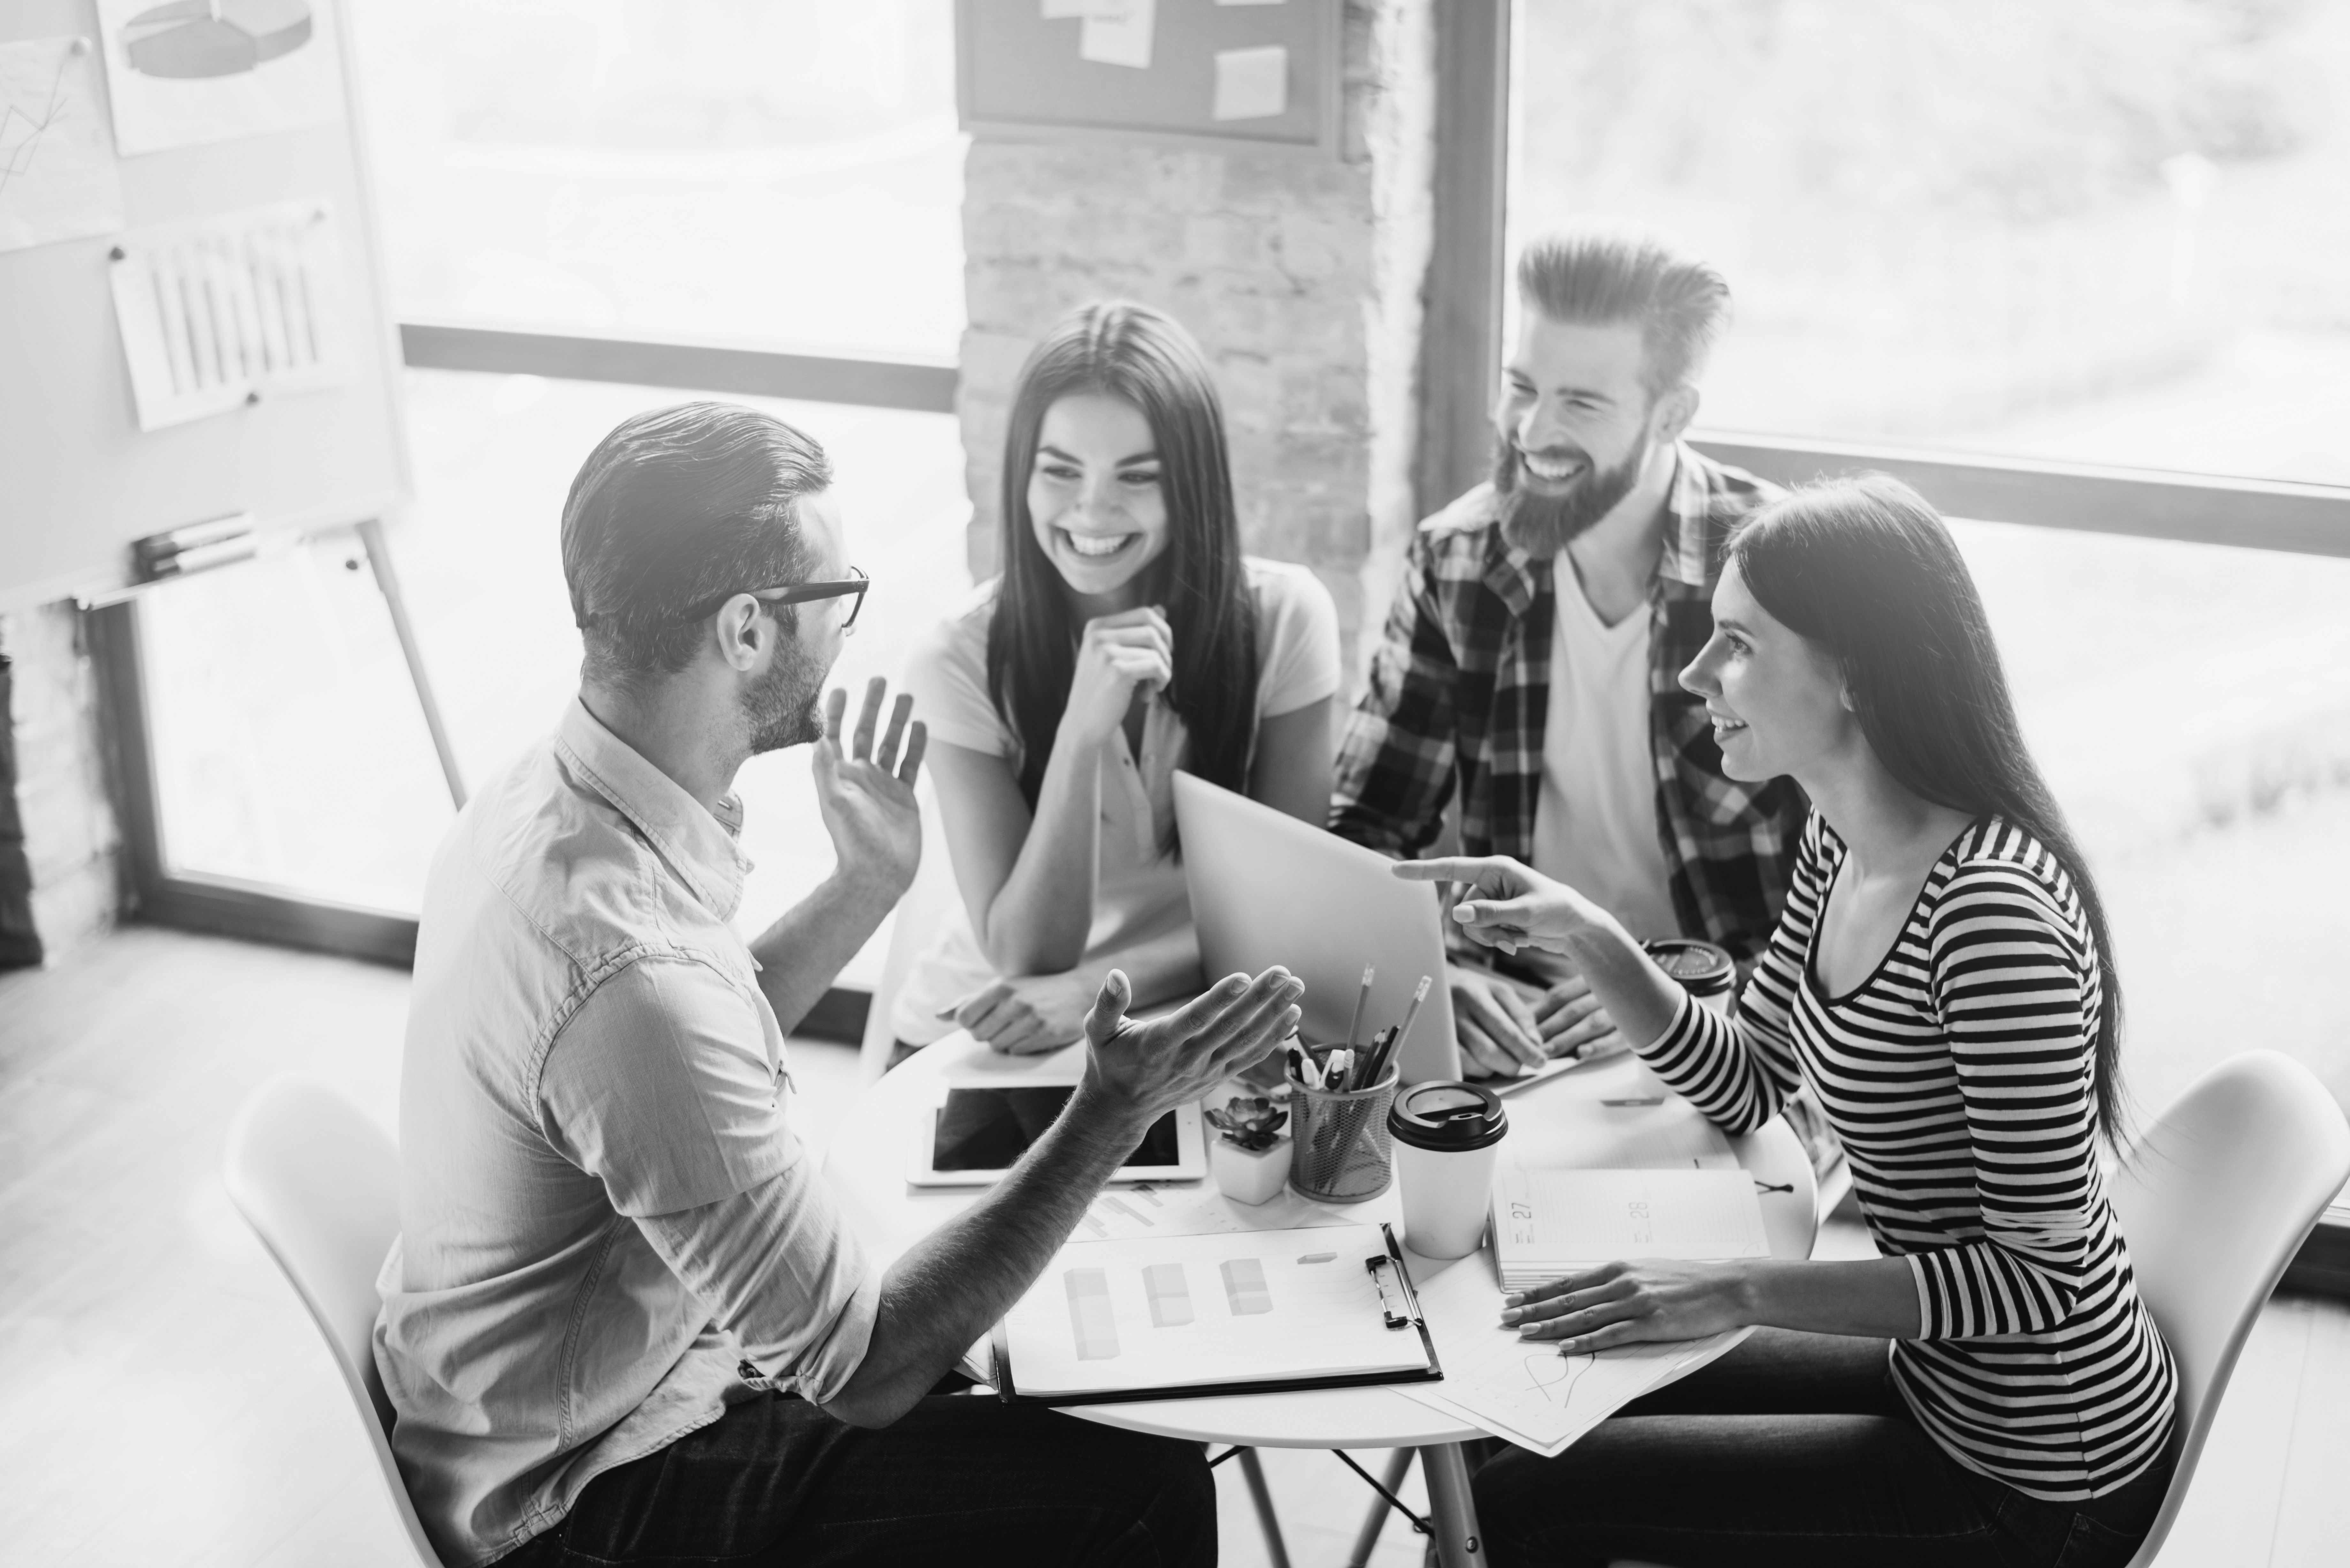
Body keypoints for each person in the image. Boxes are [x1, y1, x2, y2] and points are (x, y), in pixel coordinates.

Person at [374, 401, 1304, 1568]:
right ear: (747, 631)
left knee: (1013, 1356)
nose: (848, 627)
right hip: (588, 1497)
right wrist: (1109, 1115)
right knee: (1136, 1484)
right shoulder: (629, 972)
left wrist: (866, 886)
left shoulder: (545, 803)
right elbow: (863, 1371)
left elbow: (667, 1063)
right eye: (838, 594)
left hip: (539, 1400)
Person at [1395, 475, 2178, 1567]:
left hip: (2031, 1472)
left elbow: (2037, 1280)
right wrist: (1588, 931)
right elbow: (1749, 1080)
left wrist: (1733, 1289)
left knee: (1529, 1504)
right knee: (1522, 1400)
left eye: (1738, 645)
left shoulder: (1991, 916)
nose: (1693, 675)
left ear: (1855, 672)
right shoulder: (1840, 836)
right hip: (1936, 1374)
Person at [1331, 220, 1809, 1081]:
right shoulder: (1455, 559)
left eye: (1581, 404)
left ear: (1672, 414)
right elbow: (1366, 830)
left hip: (1732, 1027)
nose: (1531, 430)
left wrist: (1675, 996)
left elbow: (1862, 882)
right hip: (1517, 1022)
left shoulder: (1783, 574)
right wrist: (1426, 975)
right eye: (1521, 386)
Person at [891, 301, 1341, 1056]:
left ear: (1190, 485)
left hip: (1183, 1016)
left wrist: (1097, 988)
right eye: (1060, 470)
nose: (1092, 509)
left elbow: (1290, 912)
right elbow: (1026, 956)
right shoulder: (953, 656)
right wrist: (1080, 734)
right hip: (988, 1034)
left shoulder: (1284, 617)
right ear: (1023, 477)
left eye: (1136, 476)